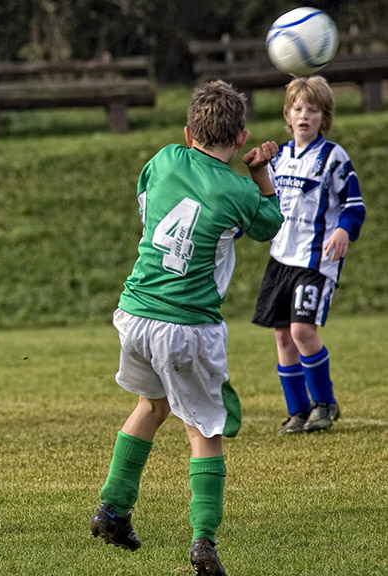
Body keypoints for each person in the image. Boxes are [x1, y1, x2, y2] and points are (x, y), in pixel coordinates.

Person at [88, 81, 284, 576]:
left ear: (187, 132)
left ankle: (112, 509)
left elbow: (146, 197)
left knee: (151, 406)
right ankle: (204, 542)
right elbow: (269, 224)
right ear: (240, 139)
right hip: (186, 324)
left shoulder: (164, 158)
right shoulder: (238, 189)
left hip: (135, 312)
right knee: (205, 430)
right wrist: (261, 174)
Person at [252, 75, 365, 435]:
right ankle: (298, 412)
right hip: (281, 257)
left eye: (312, 110)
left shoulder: (333, 157)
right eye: (297, 109)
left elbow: (354, 203)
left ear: (324, 116)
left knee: (302, 330)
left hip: (316, 260)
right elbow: (261, 199)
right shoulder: (279, 157)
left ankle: (324, 403)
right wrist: (255, 169)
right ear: (287, 115)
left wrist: (344, 228)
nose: (304, 116)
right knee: (283, 335)